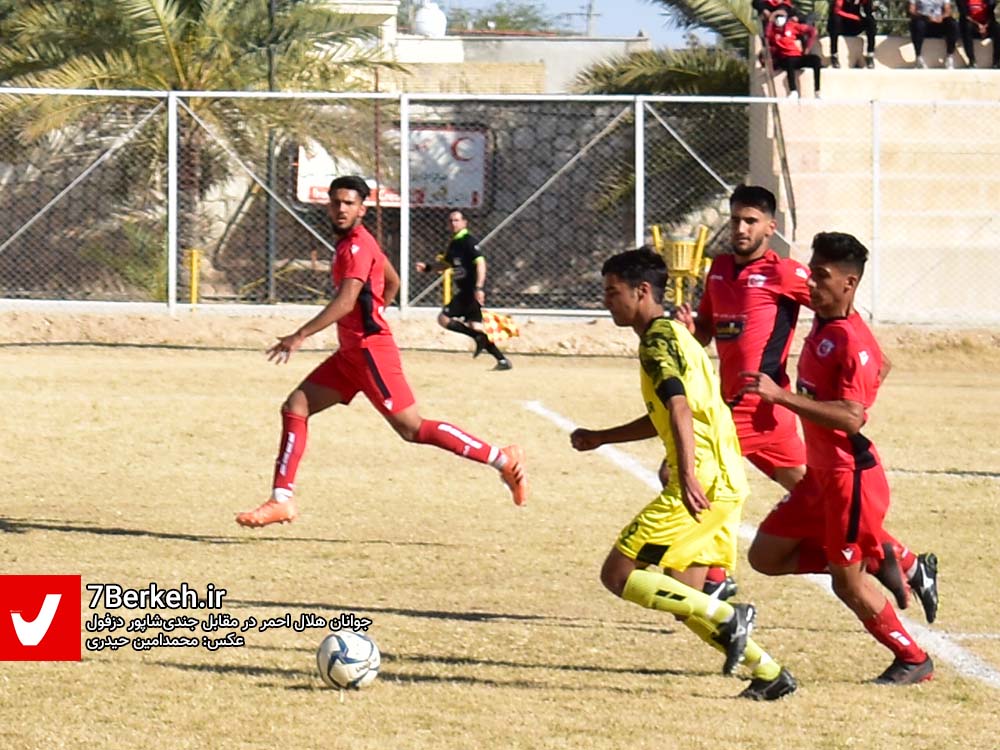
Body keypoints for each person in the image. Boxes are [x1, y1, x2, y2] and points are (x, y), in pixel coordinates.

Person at [675, 185, 939, 623]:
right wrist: (691, 329)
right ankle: (906, 563)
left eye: (751, 221)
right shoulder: (718, 269)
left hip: (761, 409)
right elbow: (706, 330)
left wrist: (861, 367)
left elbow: (837, 306)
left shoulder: (785, 272)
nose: (741, 228)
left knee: (683, 473)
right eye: (736, 219)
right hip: (745, 408)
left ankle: (714, 575)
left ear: (770, 227)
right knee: (814, 498)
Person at [570, 248, 797, 701]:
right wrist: (602, 437)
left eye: (612, 292)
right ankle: (769, 673)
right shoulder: (679, 334)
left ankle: (731, 616)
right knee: (682, 595)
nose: (606, 301)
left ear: (642, 291)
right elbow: (671, 410)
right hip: (726, 480)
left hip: (702, 482)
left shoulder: (657, 341)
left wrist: (687, 475)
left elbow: (678, 407)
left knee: (618, 574)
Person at [236, 176, 528, 528]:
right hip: (351, 354)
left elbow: (346, 300)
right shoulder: (352, 243)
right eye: (336, 202)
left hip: (371, 353)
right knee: (296, 406)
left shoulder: (358, 247)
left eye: (349, 203)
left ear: (362, 209)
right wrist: (375, 311)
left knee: (413, 429)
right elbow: (393, 281)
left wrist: (300, 336)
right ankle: (281, 500)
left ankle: (502, 459)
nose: (341, 209)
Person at [738, 232, 934, 685]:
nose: (810, 283)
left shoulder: (849, 339)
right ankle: (878, 556)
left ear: (849, 283)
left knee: (846, 585)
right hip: (819, 477)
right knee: (765, 556)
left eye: (821, 276)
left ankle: (913, 659)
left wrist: (780, 397)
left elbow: (851, 417)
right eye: (812, 272)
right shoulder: (828, 320)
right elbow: (882, 365)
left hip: (850, 481)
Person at [416, 210, 512, 371]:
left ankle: (479, 338)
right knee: (475, 326)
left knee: (443, 319)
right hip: (467, 291)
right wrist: (428, 267)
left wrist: (479, 288)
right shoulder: (454, 244)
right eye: (451, 221)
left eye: (457, 220)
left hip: (470, 291)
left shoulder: (468, 241)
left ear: (464, 222)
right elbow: (446, 264)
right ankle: (502, 360)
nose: (453, 223)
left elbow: (481, 263)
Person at [765, 9, 823, 99]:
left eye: (781, 17)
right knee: (789, 61)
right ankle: (793, 91)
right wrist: (771, 19)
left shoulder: (791, 26)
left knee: (816, 60)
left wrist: (807, 48)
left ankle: (817, 91)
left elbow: (812, 31)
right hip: (784, 58)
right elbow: (767, 36)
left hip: (797, 56)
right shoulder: (772, 30)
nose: (779, 19)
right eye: (777, 17)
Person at [828, 0, 878, 69]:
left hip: (854, 24)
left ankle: (870, 55)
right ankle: (834, 55)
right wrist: (853, 17)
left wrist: (869, 5)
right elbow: (837, 11)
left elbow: (868, 11)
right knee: (835, 19)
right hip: (841, 25)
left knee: (870, 21)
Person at [909, 0, 959, 68]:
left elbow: (948, 10)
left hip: (939, 21)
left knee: (953, 24)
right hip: (923, 19)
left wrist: (941, 17)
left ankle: (949, 56)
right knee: (918, 24)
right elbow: (911, 10)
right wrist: (925, 17)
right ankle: (918, 57)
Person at [957, 0, 1000, 68]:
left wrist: (985, 25)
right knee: (967, 27)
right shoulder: (964, 1)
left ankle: (996, 61)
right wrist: (978, 25)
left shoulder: (988, 1)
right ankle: (972, 60)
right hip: (972, 25)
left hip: (986, 25)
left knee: (997, 28)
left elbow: (992, 15)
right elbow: (966, 16)